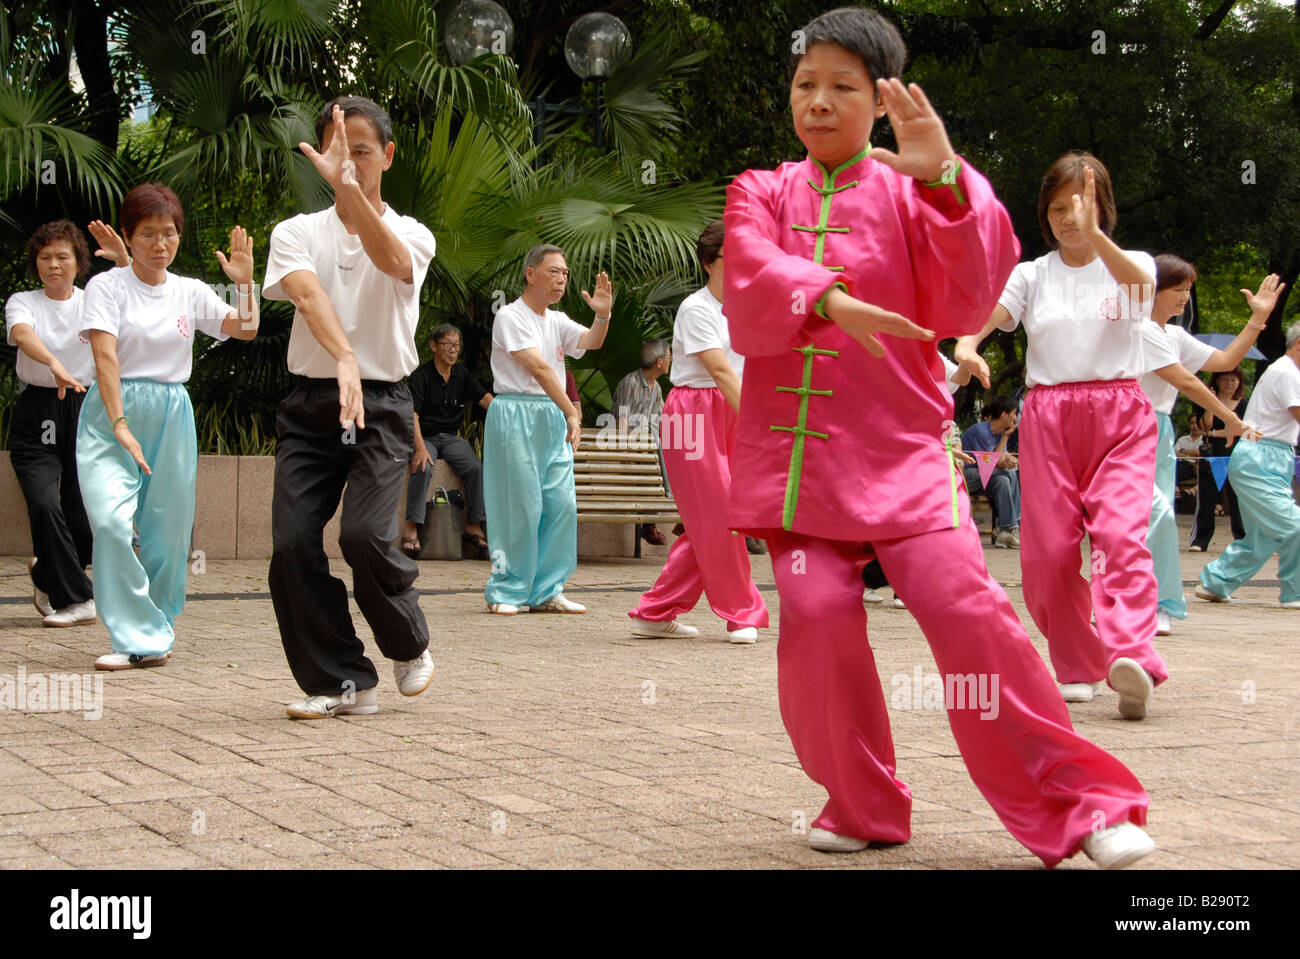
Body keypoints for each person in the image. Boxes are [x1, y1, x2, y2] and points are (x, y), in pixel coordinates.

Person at [727, 7, 1153, 869]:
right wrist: (832, 299)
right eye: (805, 84)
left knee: (971, 619)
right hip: (801, 471)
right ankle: (863, 801)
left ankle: (1082, 804)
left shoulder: (920, 188)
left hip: (905, 459)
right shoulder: (762, 190)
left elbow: (966, 304)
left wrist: (950, 182)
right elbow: (748, 278)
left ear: (881, 101)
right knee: (814, 619)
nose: (818, 101)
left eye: (842, 86)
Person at [957, 152, 1165, 720]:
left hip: (1119, 417)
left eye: (1082, 206)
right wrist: (969, 344)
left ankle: (1133, 657)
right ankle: (1077, 662)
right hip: (1048, 418)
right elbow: (996, 312)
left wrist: (1098, 238)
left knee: (1121, 535)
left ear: (1104, 207)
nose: (1069, 218)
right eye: (1057, 208)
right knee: (1046, 554)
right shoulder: (1033, 274)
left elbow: (1140, 286)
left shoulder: (1131, 264)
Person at [263, 96, 436, 719]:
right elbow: (306, 298)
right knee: (290, 547)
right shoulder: (296, 232)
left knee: (363, 536)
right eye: (341, 154)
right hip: (313, 404)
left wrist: (349, 188)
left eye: (362, 152)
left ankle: (406, 639)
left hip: (383, 402)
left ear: (387, 155)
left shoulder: (412, 233)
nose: (352, 164)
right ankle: (341, 680)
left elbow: (392, 262)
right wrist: (340, 356)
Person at [77, 183, 258, 670]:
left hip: (172, 412)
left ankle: (150, 633)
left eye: (170, 233)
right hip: (110, 414)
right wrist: (118, 421)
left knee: (168, 531)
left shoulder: (189, 291)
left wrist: (244, 284)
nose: (161, 244)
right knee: (112, 523)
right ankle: (136, 629)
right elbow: (104, 357)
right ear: (128, 236)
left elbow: (246, 328)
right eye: (149, 234)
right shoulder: (105, 287)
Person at [628, 221, 769, 643]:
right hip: (692, 414)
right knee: (724, 516)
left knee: (713, 521)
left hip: (734, 410)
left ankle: (653, 613)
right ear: (710, 263)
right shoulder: (696, 308)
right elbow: (721, 371)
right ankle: (742, 611)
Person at [1137, 255, 1276, 635]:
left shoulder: (1174, 335)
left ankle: (1157, 604)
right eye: (1177, 289)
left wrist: (1257, 319)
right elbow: (1187, 382)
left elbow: (1226, 360)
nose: (1185, 297)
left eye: (1187, 290)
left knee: (1158, 515)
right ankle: (1130, 602)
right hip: (1128, 427)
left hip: (1160, 430)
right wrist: (1230, 419)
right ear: (1152, 289)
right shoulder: (1137, 329)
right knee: (1147, 517)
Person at [6, 219, 128, 626]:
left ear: (78, 262)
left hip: (85, 407)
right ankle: (78, 600)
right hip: (38, 409)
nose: (53, 265)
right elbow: (23, 335)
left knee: (84, 511)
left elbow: (133, 293)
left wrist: (124, 258)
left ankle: (48, 574)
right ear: (35, 263)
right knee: (43, 501)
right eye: (45, 257)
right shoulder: (23, 301)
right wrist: (54, 362)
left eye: (63, 256)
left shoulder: (93, 300)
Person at [483, 244, 612, 615]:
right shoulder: (509, 316)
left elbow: (589, 342)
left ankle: (546, 590)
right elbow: (539, 369)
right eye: (554, 271)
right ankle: (506, 590)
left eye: (566, 274)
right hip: (516, 413)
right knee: (518, 507)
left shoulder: (556, 319)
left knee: (561, 504)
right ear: (531, 273)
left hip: (551, 415)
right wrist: (571, 412)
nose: (562, 279)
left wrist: (602, 316)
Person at [1197, 322, 1300, 609]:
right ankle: (1295, 591)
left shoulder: (1287, 372)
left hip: (1269, 456)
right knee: (1295, 526)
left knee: (1264, 535)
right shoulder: (1287, 373)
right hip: (1262, 457)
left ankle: (1217, 582)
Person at [400, 323, 492, 556]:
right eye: (447, 345)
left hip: (451, 438)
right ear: (433, 346)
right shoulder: (421, 376)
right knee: (423, 466)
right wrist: (420, 449)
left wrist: (510, 414)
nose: (453, 350)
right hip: (426, 436)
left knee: (475, 468)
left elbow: (485, 399)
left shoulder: (462, 374)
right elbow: (413, 416)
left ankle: (474, 524)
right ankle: (411, 528)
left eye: (456, 346)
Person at [612, 338, 671, 545]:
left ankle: (676, 514)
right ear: (660, 362)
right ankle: (651, 522)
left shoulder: (656, 388)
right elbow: (622, 419)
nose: (670, 361)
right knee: (652, 465)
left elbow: (662, 419)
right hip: (629, 448)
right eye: (669, 357)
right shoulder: (631, 383)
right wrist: (624, 450)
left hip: (646, 450)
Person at [1191, 367, 1250, 551]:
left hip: (1238, 454)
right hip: (1212, 455)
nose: (1229, 383)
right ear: (1217, 381)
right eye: (1225, 379)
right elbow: (1204, 427)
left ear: (1239, 382)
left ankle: (1242, 539)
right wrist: (1211, 404)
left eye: (1233, 380)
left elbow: (1245, 430)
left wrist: (1217, 432)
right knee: (1206, 498)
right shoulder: (1206, 401)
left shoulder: (1245, 404)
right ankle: (1200, 540)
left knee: (1239, 499)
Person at [960, 396, 1021, 548]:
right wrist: (1004, 458)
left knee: (1003, 481)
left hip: (985, 476)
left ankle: (1006, 530)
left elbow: (1000, 458)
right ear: (1004, 415)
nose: (1015, 417)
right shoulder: (981, 432)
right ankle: (1015, 524)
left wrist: (1010, 458)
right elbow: (992, 464)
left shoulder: (999, 433)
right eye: (1014, 413)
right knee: (1009, 474)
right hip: (968, 474)